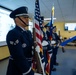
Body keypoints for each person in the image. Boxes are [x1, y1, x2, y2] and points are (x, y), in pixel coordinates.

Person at [6, 6, 41, 75]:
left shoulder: (27, 32)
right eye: (24, 17)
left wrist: (35, 48)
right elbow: (18, 56)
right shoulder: (13, 33)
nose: (27, 19)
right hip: (17, 69)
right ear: (16, 19)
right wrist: (30, 73)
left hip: (28, 64)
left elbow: (30, 46)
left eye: (27, 17)